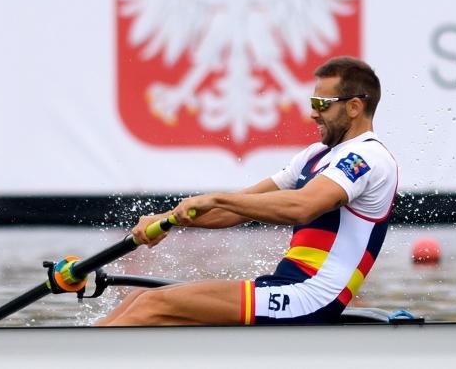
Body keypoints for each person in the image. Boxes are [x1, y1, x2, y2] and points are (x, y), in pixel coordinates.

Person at [98, 56, 397, 326]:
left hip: (312, 298)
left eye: (321, 104)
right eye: (312, 102)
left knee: (153, 304)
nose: (312, 114)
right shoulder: (314, 156)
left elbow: (303, 207)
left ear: (354, 107)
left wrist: (214, 197)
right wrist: (163, 220)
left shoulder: (369, 158)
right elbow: (237, 208)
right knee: (136, 299)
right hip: (286, 287)